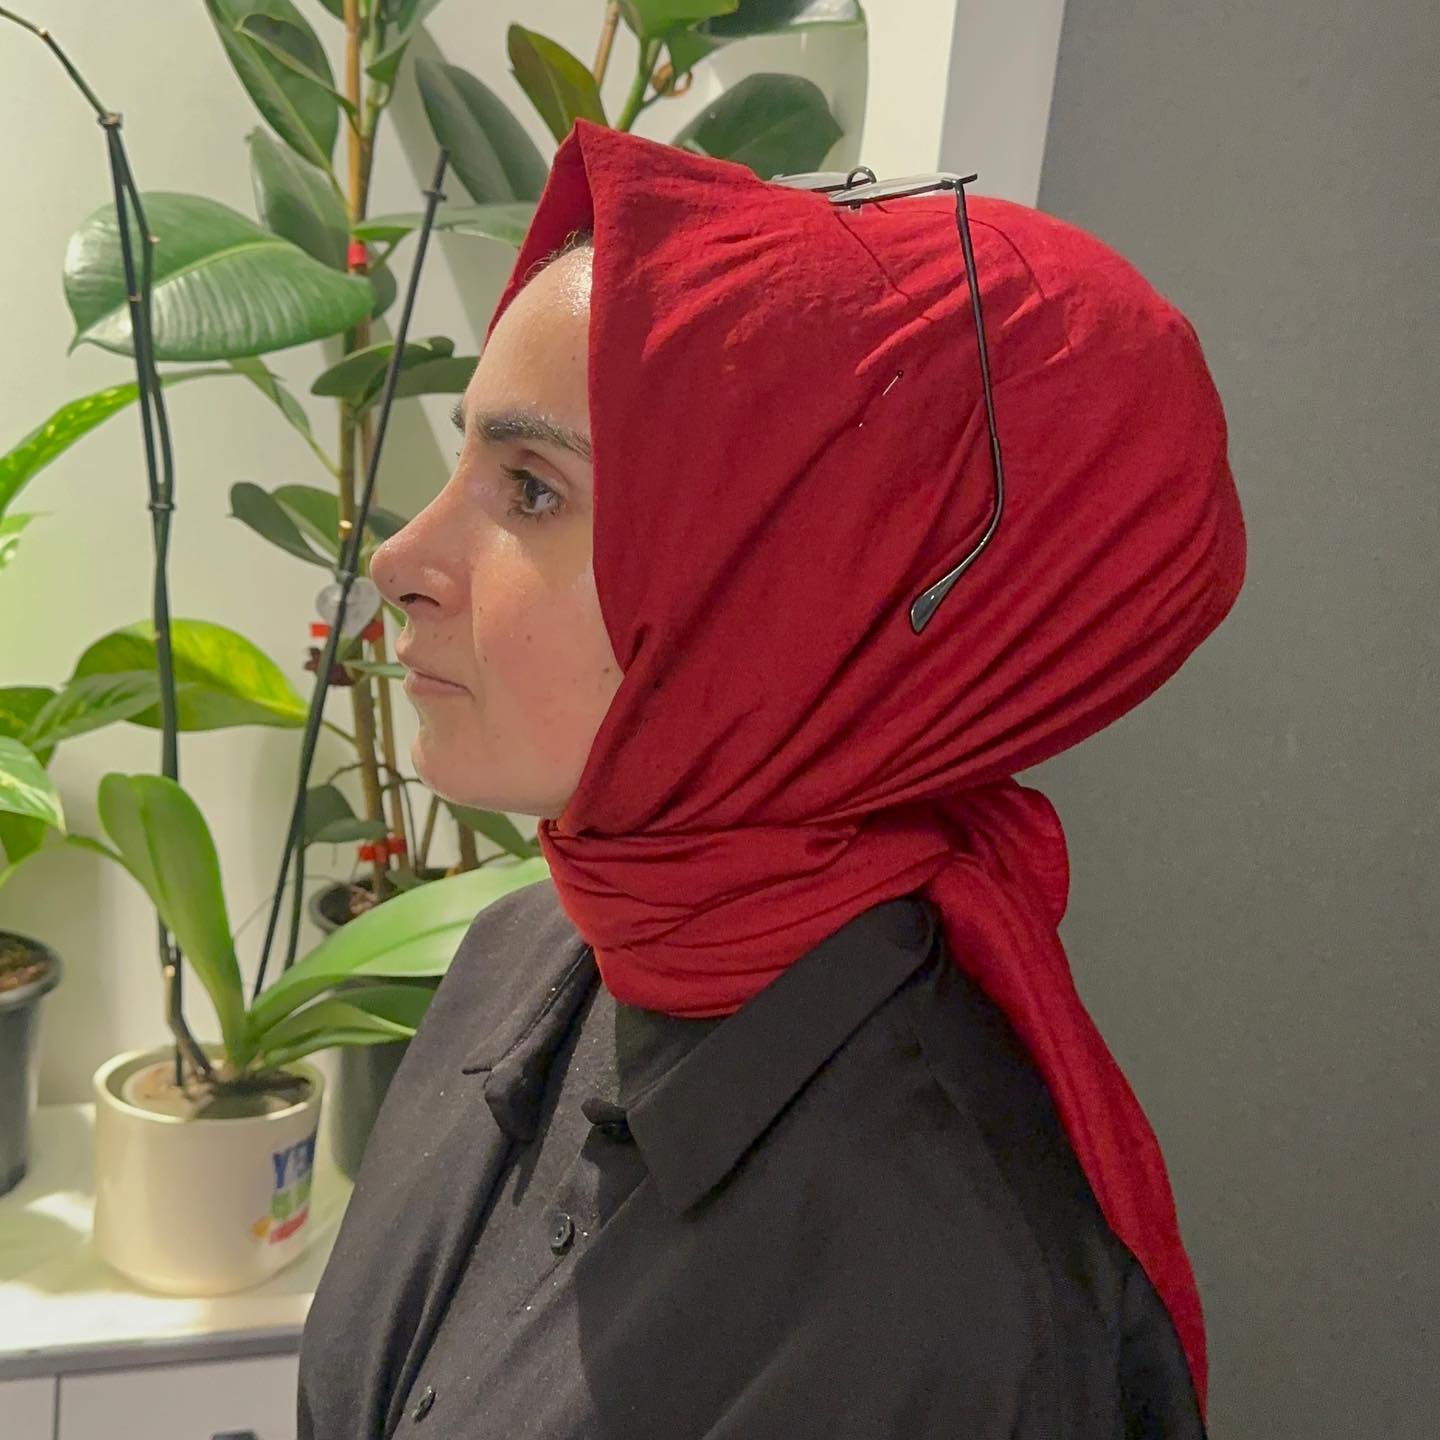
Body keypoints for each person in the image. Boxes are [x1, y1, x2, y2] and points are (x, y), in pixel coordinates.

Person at [296, 119, 1246, 1439]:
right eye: (466, 462)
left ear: (785, 595)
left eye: (530, 491)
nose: (402, 558)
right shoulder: (519, 956)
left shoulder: (945, 1308)